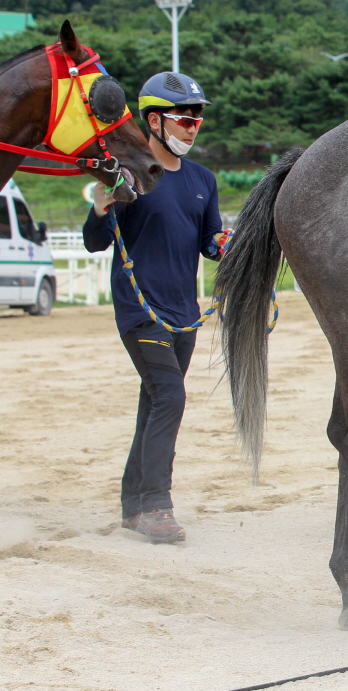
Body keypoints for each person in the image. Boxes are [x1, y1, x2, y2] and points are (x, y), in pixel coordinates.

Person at [83, 71, 225, 545]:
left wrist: (227, 244)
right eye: (184, 118)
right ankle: (156, 506)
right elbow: (93, 241)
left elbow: (210, 243)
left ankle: (131, 506)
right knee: (170, 397)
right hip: (140, 310)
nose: (192, 126)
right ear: (154, 120)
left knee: (154, 402)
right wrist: (101, 207)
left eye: (197, 119)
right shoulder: (131, 175)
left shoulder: (204, 180)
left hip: (185, 314)